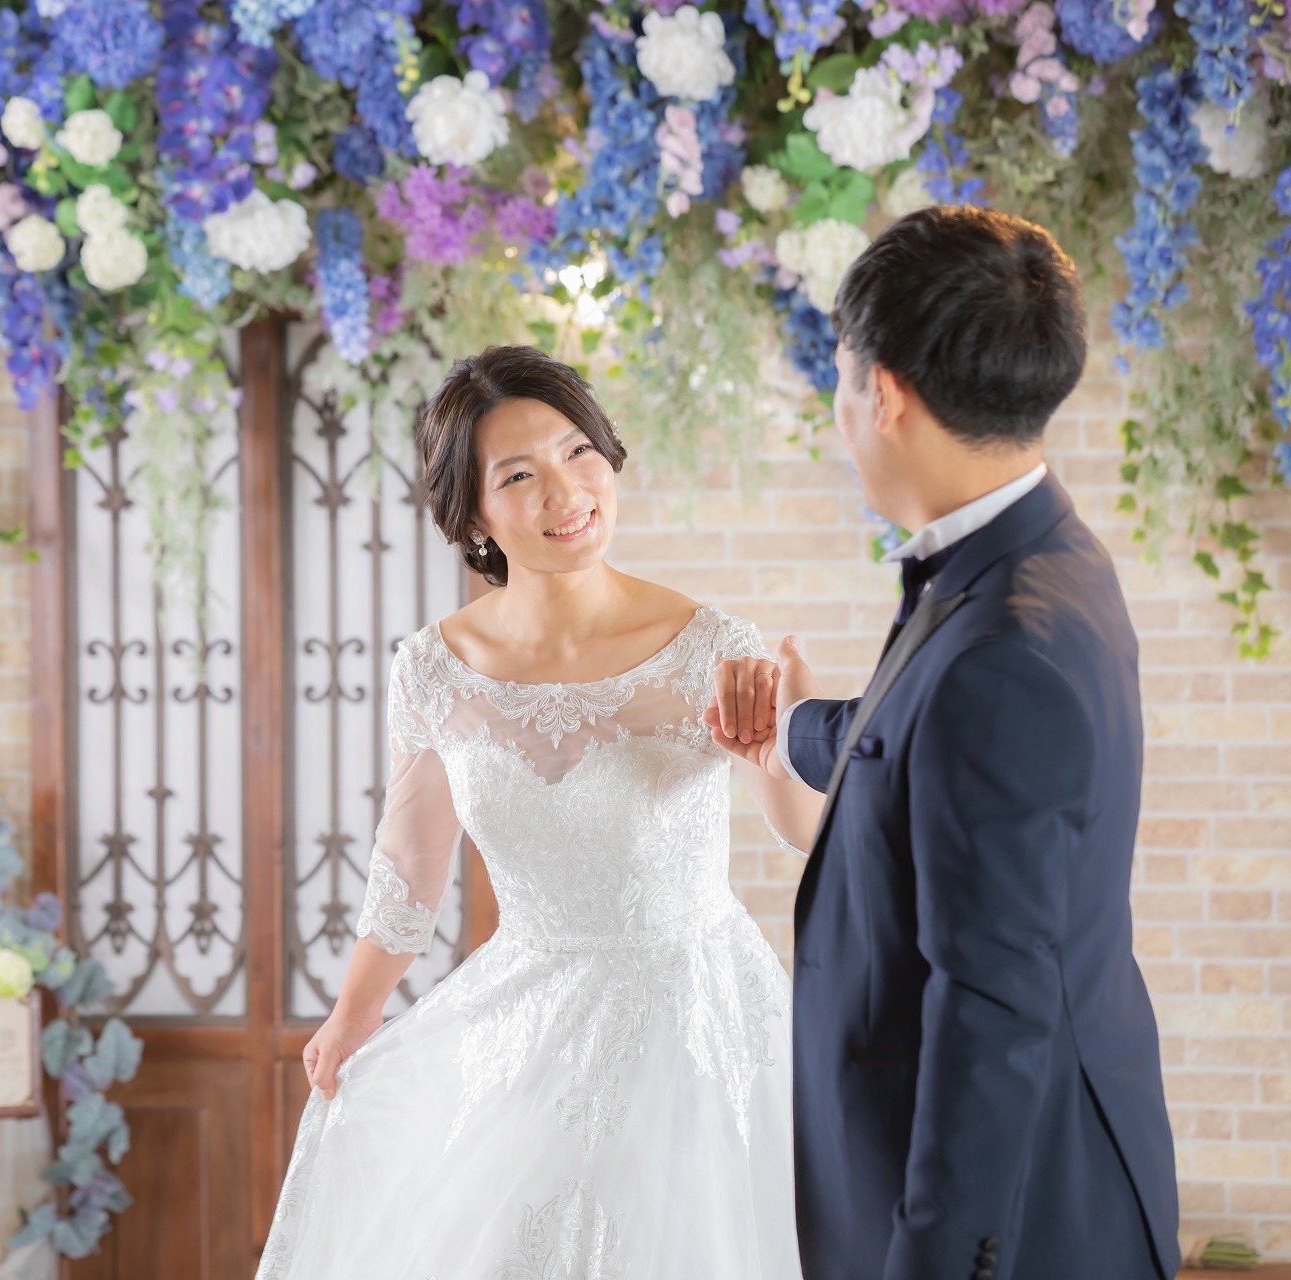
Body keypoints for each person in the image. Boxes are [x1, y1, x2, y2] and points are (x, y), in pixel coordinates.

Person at [256, 344, 824, 1279]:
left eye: (578, 452)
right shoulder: (431, 669)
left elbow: (802, 831)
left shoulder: (711, 645)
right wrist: (353, 1014)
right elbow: (410, 867)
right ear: (473, 513)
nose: (566, 492)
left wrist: (782, 750)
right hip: (528, 1018)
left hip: (697, 1018)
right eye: (519, 475)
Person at [713, 206, 1179, 1280]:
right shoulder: (1029, 552)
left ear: (883, 394)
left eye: (839, 383)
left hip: (1006, 1224)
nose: (839, 413)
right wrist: (794, 729)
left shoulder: (1006, 648)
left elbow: (993, 1015)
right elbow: (923, 741)